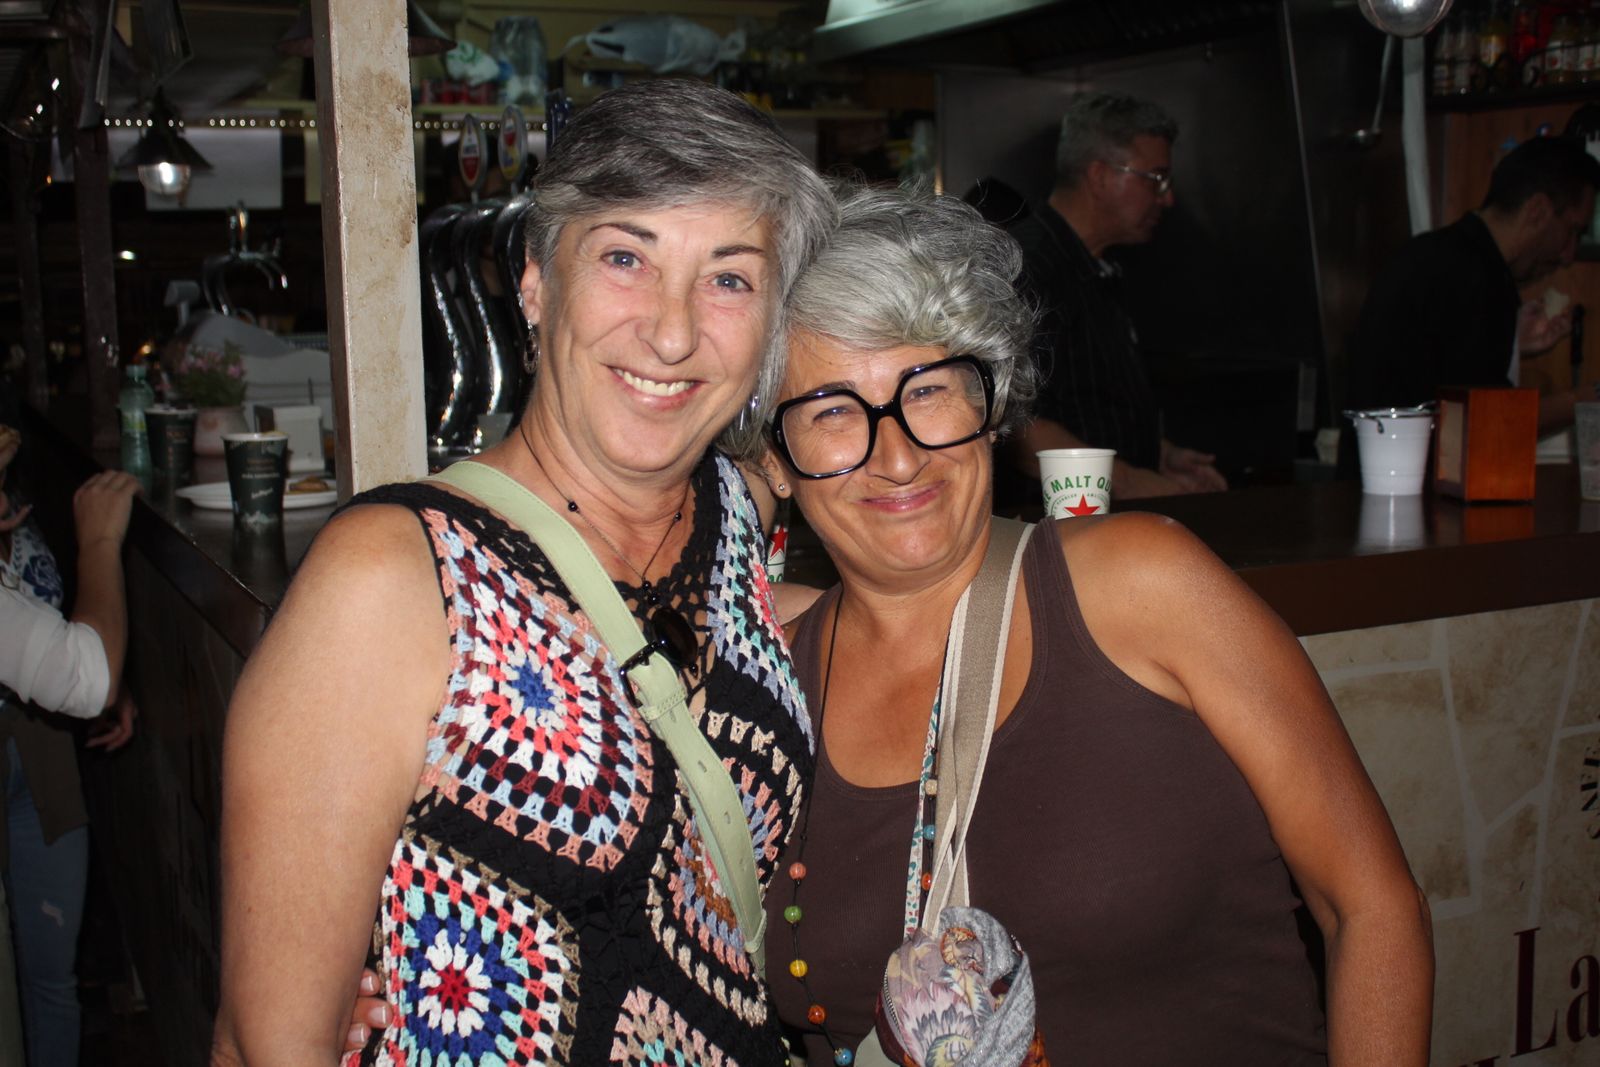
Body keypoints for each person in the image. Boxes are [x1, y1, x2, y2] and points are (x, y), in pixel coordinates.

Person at [212, 78, 836, 1066]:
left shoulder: (732, 512)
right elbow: (267, 1042)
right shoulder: (393, 580)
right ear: (537, 282)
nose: (672, 333)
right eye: (625, 257)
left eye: (729, 278)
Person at [756, 186, 1433, 1064]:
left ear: (992, 405)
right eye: (832, 412)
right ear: (776, 457)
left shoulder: (1136, 587)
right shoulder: (771, 678)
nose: (896, 455)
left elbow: (1372, 905)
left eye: (928, 390)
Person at [998, 92, 1227, 505]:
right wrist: (1130, 481)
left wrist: (1160, 455)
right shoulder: (1027, 268)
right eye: (1155, 178)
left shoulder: (1098, 267)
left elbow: (1088, 403)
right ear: (1101, 176)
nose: (1167, 197)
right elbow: (1014, 421)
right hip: (1057, 532)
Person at [1, 426, 140, 1067]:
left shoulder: (16, 495)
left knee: (50, 983)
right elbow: (81, 673)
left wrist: (104, 675)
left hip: (37, 756)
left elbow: (51, 626)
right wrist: (101, 540)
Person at [1346, 135, 1600, 431]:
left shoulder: (1441, 255)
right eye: (1572, 231)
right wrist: (1583, 401)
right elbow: (1488, 423)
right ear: (1538, 211)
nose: (1569, 254)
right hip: (1403, 474)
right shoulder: (1473, 277)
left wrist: (1511, 345)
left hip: (1381, 469)